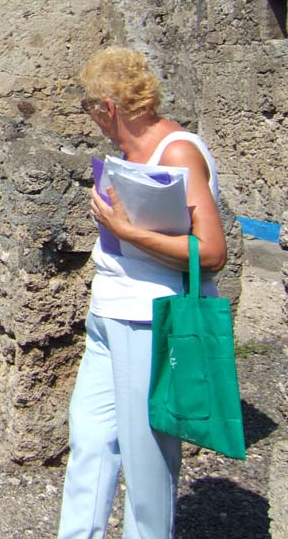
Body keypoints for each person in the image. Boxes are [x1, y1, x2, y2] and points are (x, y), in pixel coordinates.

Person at [57, 47, 227, 539]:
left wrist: (126, 231)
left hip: (151, 317)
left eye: (89, 107)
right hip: (111, 311)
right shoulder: (130, 152)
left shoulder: (176, 151)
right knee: (89, 439)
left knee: (146, 459)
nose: (90, 118)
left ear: (107, 107)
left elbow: (211, 251)